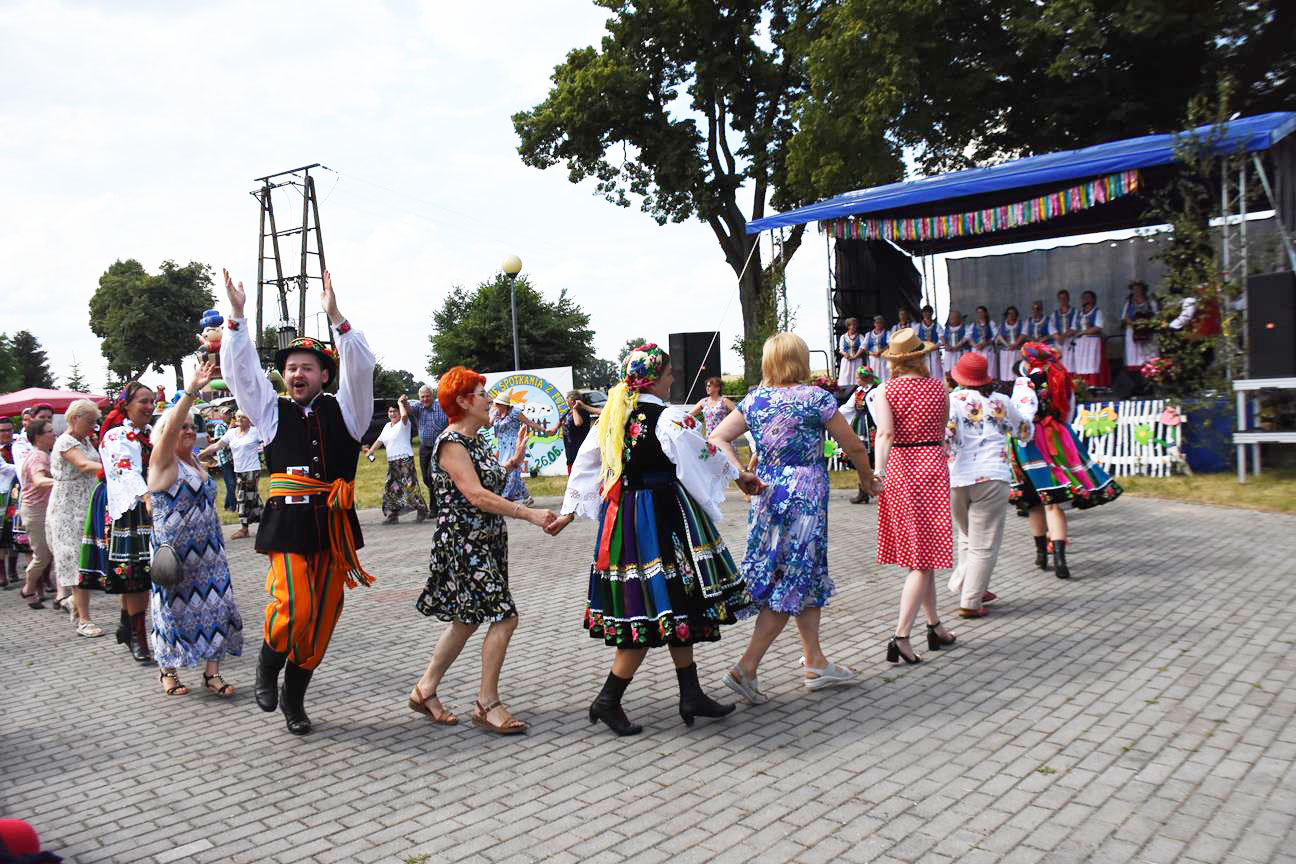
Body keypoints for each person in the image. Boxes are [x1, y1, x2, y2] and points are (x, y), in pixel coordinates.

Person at [547, 343, 751, 736]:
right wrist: (738, 475)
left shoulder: (612, 416)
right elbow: (702, 454)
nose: (673, 379)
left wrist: (570, 512)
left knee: (677, 603)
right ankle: (608, 699)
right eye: (669, 374)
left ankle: (690, 694)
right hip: (661, 516)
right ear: (655, 379)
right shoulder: (666, 417)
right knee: (650, 605)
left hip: (626, 517)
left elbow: (586, 465)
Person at [220, 267, 376, 735]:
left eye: (306, 367)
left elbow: (360, 370)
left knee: (323, 619)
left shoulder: (347, 410)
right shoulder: (270, 413)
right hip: (287, 526)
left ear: (324, 375)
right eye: (290, 368)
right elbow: (242, 375)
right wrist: (237, 317)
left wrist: (337, 317)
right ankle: (268, 664)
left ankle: (294, 698)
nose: (296, 374)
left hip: (334, 525)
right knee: (297, 607)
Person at [710, 333, 880, 702]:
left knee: (806, 574)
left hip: (767, 493)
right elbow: (853, 445)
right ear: (800, 360)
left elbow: (718, 438)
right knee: (793, 577)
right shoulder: (815, 398)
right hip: (805, 495)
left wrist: (741, 472)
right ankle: (745, 668)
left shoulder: (755, 400)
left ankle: (815, 662)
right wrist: (867, 478)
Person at [408, 367, 558, 733]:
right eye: (482, 394)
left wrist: (513, 460)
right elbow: (475, 495)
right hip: (464, 543)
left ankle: (425, 690)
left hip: (484, 541)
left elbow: (485, 481)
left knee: (468, 618)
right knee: (504, 616)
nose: (489, 400)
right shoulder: (451, 443)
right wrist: (530, 514)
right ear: (462, 401)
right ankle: (487, 703)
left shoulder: (475, 440)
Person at [147, 361, 244, 697]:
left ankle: (212, 674)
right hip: (175, 556)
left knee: (218, 607)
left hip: (209, 555)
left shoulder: (196, 462)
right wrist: (190, 392)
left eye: (193, 426)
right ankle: (168, 670)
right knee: (172, 611)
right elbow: (171, 426)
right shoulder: (163, 462)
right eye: (182, 427)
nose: (188, 431)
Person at [867, 328, 956, 664]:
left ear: (894, 360)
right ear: (921, 356)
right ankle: (902, 635)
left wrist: (878, 472)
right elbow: (942, 427)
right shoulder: (939, 387)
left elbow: (885, 433)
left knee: (921, 554)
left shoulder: (885, 390)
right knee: (923, 556)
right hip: (932, 464)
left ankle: (933, 625)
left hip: (902, 468)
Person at [1010, 343, 1122, 579]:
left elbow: (1024, 416)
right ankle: (1060, 559)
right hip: (1060, 436)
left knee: (1034, 501)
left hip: (1034, 440)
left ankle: (1041, 555)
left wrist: (1020, 439)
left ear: (1030, 361)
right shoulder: (1061, 379)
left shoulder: (1025, 382)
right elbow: (1068, 413)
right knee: (1054, 501)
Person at [944, 353, 1037, 618]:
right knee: (983, 543)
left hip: (957, 477)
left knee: (968, 536)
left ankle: (969, 585)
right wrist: (1028, 408)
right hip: (992, 475)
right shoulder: (1002, 401)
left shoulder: (951, 401)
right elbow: (1024, 431)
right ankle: (971, 601)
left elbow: (944, 436)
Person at [79, 382, 156, 663]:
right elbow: (124, 469)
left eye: (152, 401)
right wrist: (146, 495)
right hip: (128, 508)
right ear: (126, 405)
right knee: (134, 575)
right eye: (143, 401)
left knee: (143, 574)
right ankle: (138, 637)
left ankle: (127, 627)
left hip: (149, 505)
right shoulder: (116, 435)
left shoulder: (150, 433)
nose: (149, 406)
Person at [48, 400, 104, 635]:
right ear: (75, 419)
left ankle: (75, 603)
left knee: (86, 558)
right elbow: (82, 464)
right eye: (90, 422)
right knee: (76, 562)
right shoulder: (65, 441)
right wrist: (114, 467)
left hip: (86, 503)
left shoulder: (86, 440)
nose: (93, 427)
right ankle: (84, 620)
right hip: (68, 509)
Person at [199, 410, 263, 538]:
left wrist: (263, 449)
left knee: (243, 497)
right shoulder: (231, 433)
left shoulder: (255, 432)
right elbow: (217, 445)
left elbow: (267, 443)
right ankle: (266, 522)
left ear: (250, 420)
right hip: (238, 470)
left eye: (243, 417)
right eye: (238, 416)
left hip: (252, 469)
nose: (239, 419)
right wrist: (202, 454)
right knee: (252, 498)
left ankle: (245, 528)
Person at [364, 398, 428, 524]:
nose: (392, 414)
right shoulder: (387, 426)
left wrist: (400, 403)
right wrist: (370, 452)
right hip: (392, 462)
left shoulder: (404, 424)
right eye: (390, 412)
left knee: (409, 486)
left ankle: (421, 510)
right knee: (391, 488)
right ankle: (392, 515)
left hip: (405, 460)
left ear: (399, 412)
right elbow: (379, 440)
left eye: (395, 411)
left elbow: (404, 415)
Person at [488, 394, 554, 505]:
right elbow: (487, 426)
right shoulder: (496, 414)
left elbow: (529, 423)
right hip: (502, 446)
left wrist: (545, 430)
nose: (496, 405)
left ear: (504, 404)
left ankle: (506, 499)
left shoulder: (515, 412)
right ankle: (527, 497)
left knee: (512, 472)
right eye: (496, 403)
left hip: (514, 444)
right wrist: (491, 416)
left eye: (498, 403)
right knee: (505, 471)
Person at [18, 420, 56, 610]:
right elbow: (39, 479)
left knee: (49, 554)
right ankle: (29, 589)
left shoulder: (42, 454)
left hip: (42, 509)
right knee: (42, 556)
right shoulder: (38, 456)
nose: (53, 434)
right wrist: (61, 481)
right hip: (36, 511)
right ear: (38, 437)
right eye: (49, 431)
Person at [839, 365, 881, 504]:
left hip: (870, 427)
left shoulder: (874, 392)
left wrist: (880, 428)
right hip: (859, 426)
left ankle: (876, 488)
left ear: (865, 378)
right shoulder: (858, 391)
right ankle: (863, 490)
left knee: (873, 458)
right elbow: (848, 408)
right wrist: (834, 414)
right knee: (861, 459)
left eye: (858, 377)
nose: (856, 379)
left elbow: (877, 412)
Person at [406, 384, 449, 495]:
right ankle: (437, 495)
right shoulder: (418, 408)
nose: (425, 399)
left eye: (427, 396)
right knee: (425, 477)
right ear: (419, 398)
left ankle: (435, 502)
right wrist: (403, 402)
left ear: (432, 395)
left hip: (439, 447)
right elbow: (407, 409)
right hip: (424, 447)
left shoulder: (442, 407)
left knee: (431, 476)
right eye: (422, 397)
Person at [1121, 280, 1160, 373]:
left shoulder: (1150, 302)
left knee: (1148, 352)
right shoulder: (1129, 303)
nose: (1136, 291)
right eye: (1134, 289)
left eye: (1139, 289)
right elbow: (1124, 317)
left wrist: (1145, 324)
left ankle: (1150, 369)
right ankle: (1136, 372)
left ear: (1143, 290)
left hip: (1147, 330)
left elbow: (1156, 316)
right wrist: (1135, 324)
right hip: (1133, 330)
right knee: (1134, 352)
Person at [561, 390, 602, 474]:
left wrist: (575, 409)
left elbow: (578, 423)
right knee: (571, 468)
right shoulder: (567, 412)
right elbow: (558, 425)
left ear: (573, 400)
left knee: (579, 471)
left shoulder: (582, 412)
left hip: (579, 447)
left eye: (568, 398)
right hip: (570, 448)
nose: (566, 400)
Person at [206, 408, 238, 512]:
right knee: (231, 483)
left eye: (229, 413)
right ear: (221, 416)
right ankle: (233, 507)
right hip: (224, 459)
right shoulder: (219, 427)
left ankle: (227, 505)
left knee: (232, 483)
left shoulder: (235, 426)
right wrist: (230, 428)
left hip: (234, 458)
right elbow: (219, 442)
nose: (229, 415)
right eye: (226, 414)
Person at [0, 420, 19, 588]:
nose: (7, 433)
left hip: (16, 494)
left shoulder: (18, 444)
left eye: (9, 430)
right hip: (2, 494)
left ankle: (13, 570)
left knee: (13, 532)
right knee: (1, 534)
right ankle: (2, 573)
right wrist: (23, 465)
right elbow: (4, 468)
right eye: (2, 430)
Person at [1072, 290, 1105, 385]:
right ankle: (1081, 386)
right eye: (1083, 298)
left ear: (1093, 299)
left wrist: (1082, 332)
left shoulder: (1097, 312)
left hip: (1092, 342)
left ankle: (1093, 385)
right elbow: (1073, 328)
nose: (1085, 300)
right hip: (1080, 344)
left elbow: (1098, 327)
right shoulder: (1078, 314)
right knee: (1080, 365)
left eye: (1087, 297)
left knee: (1092, 364)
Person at [1048, 289, 1080, 368]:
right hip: (1059, 342)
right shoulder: (1054, 314)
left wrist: (1063, 336)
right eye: (1061, 298)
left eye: (1064, 298)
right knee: (1059, 363)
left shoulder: (1075, 312)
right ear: (1058, 300)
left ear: (1068, 298)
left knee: (1071, 364)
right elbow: (1051, 328)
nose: (1063, 300)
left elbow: (1075, 326)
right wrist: (1058, 337)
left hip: (1071, 341)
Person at [996, 306, 1025, 383]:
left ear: (1016, 314)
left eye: (1013, 313)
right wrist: (1007, 345)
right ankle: (1006, 385)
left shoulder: (1021, 324)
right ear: (1007, 315)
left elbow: (1023, 335)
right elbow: (999, 336)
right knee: (1006, 370)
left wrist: (1015, 344)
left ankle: (1017, 383)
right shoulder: (1002, 325)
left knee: (1017, 368)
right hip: (1006, 351)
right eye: (1009, 313)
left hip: (1017, 350)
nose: (1011, 315)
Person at [915, 305, 943, 380]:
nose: (927, 314)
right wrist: (921, 348)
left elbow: (942, 340)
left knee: (936, 371)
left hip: (934, 351)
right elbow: (914, 340)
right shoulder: (917, 326)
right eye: (925, 312)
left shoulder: (937, 326)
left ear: (932, 313)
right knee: (924, 370)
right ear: (922, 314)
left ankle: (936, 385)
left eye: (929, 312)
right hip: (923, 352)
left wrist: (932, 348)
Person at [836, 317, 864, 387]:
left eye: (855, 325)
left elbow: (863, 347)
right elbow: (841, 349)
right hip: (847, 361)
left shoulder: (860, 336)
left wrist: (855, 356)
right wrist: (846, 355)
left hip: (857, 361)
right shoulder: (843, 337)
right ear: (848, 326)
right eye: (852, 325)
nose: (854, 326)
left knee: (857, 378)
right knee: (846, 379)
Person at [862, 315, 890, 384]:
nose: (878, 324)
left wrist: (881, 351)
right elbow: (864, 347)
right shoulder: (868, 334)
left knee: (884, 374)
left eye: (880, 323)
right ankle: (874, 385)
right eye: (877, 323)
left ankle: (884, 385)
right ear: (874, 324)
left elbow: (890, 345)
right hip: (872, 358)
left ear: (883, 324)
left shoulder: (887, 333)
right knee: (874, 373)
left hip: (883, 357)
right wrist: (871, 353)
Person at [942, 310, 971, 376]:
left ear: (959, 319)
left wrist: (956, 346)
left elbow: (967, 337)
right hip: (949, 354)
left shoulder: (966, 328)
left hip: (961, 353)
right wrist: (946, 345)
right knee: (948, 372)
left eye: (954, 318)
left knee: (961, 372)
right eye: (951, 318)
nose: (952, 319)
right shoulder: (945, 329)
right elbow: (941, 339)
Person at [970, 305, 998, 370]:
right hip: (976, 349)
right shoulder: (973, 324)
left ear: (986, 313)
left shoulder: (991, 323)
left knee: (988, 368)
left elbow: (995, 335)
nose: (980, 314)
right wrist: (976, 346)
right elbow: (968, 337)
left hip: (987, 349)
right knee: (977, 368)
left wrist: (985, 343)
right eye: (978, 312)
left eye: (981, 312)